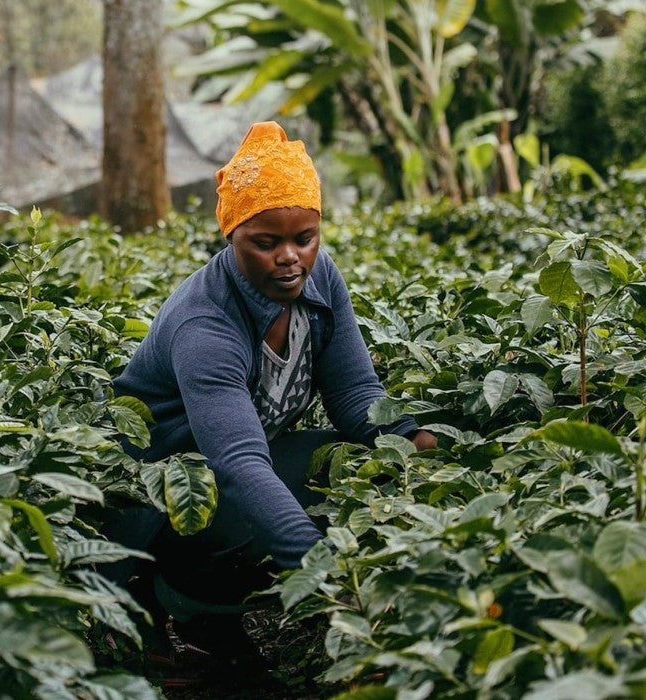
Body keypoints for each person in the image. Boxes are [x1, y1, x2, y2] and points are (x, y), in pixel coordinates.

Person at [106, 121, 435, 668]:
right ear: (231, 237)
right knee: (249, 516)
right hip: (168, 495)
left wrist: (416, 444)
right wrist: (322, 571)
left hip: (230, 470)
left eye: (304, 238)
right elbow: (236, 463)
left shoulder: (320, 278)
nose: (290, 258)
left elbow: (355, 394)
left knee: (359, 463)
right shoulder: (204, 324)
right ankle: (185, 604)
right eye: (266, 242)